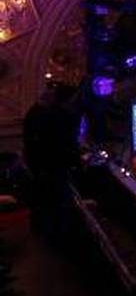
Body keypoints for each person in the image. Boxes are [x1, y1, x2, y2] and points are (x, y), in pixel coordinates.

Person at [23, 83, 83, 238]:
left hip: (40, 166)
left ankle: (45, 231)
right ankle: (57, 234)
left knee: (44, 201)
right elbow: (60, 146)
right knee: (54, 201)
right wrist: (77, 160)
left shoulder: (37, 112)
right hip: (50, 168)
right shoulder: (55, 118)